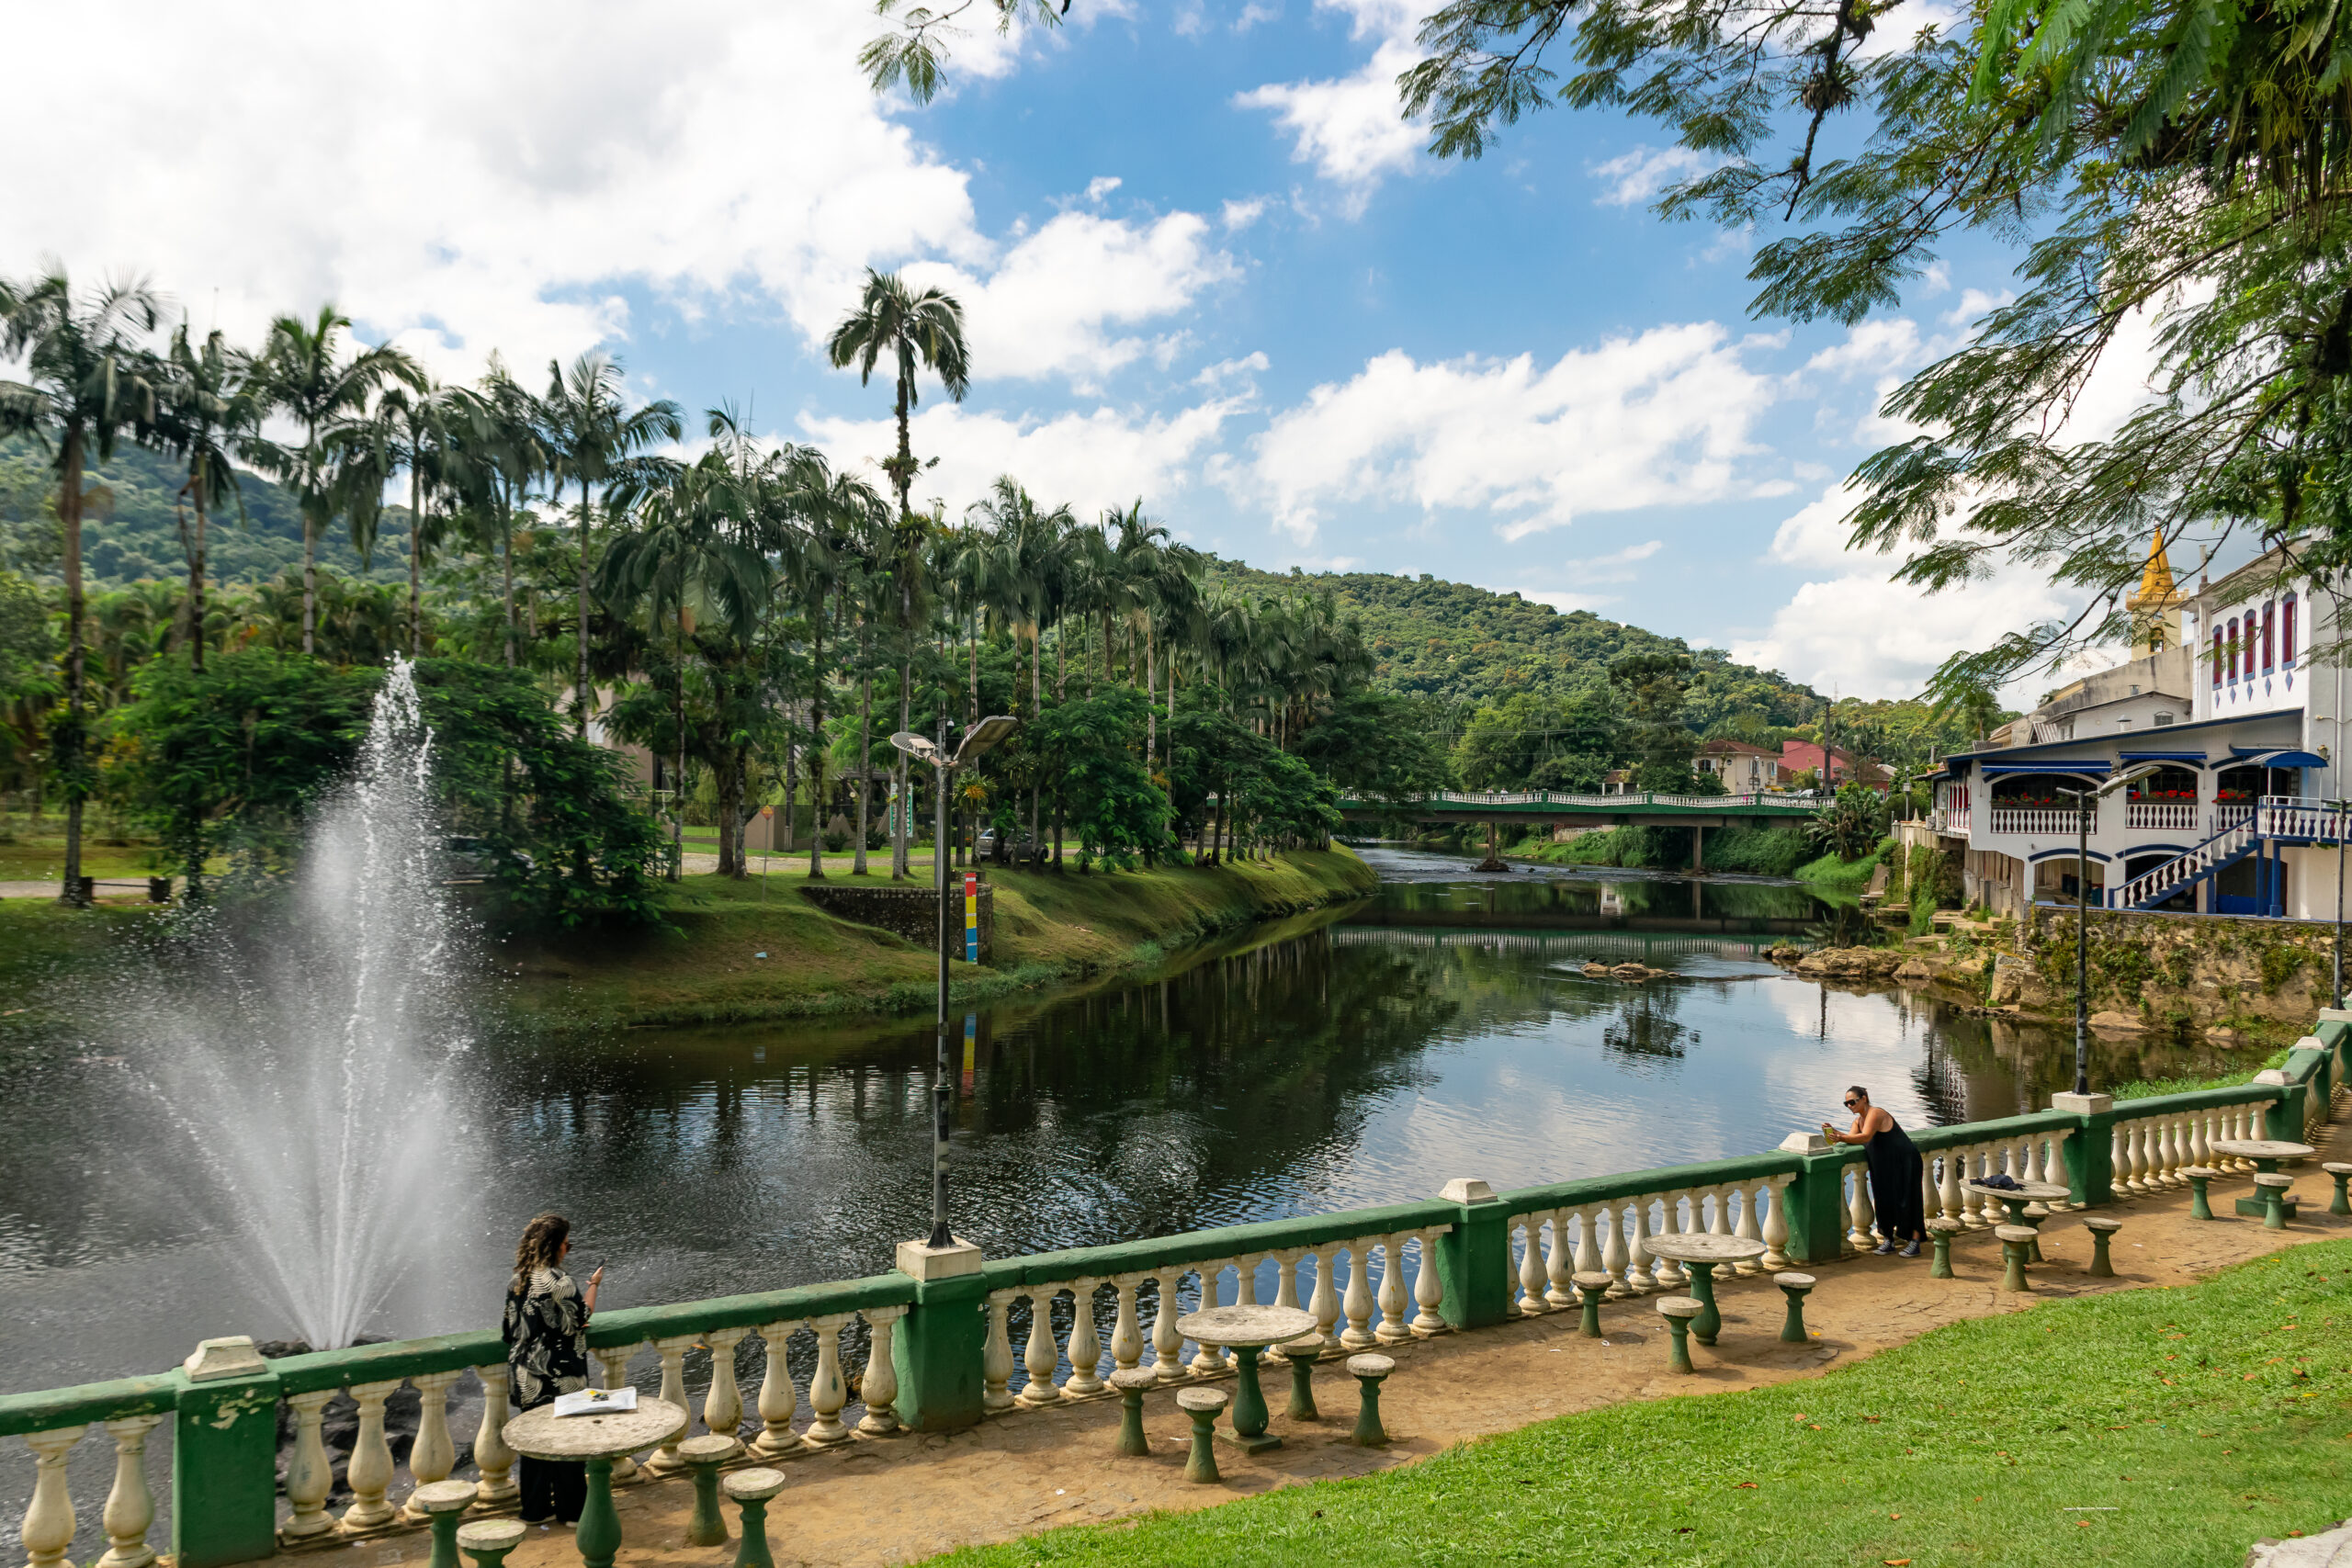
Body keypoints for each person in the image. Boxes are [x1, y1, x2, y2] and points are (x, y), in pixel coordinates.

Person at [503, 1213, 603, 1525]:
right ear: (555, 1246)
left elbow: (508, 1330)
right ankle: (572, 1512)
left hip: (525, 1373)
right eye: (566, 1244)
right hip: (561, 1375)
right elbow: (580, 1318)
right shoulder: (560, 1282)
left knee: (533, 1445)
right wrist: (594, 1285)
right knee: (568, 1442)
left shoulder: (517, 1281)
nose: (566, 1250)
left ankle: (534, 1510)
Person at [1822, 1085, 1926, 1258]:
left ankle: (1914, 1242)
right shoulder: (1858, 1121)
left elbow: (1866, 1137)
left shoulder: (1875, 1113)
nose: (1849, 1106)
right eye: (1846, 1103)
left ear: (1864, 1099)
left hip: (1905, 1161)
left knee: (1909, 1199)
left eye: (1852, 1102)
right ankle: (1889, 1240)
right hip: (1883, 1165)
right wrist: (1833, 1133)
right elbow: (1852, 1139)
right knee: (1883, 1200)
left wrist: (1841, 1137)